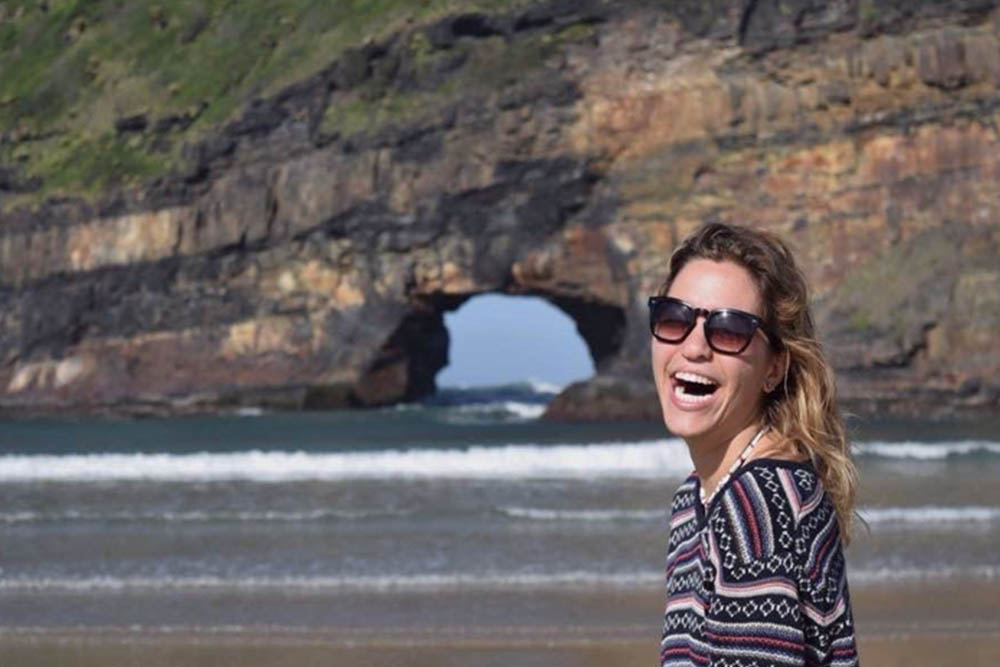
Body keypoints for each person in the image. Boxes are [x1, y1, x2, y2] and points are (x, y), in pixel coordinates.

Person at [651, 222, 859, 666]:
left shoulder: (756, 506)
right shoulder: (698, 496)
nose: (694, 347)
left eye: (729, 330)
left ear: (774, 367)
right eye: (674, 318)